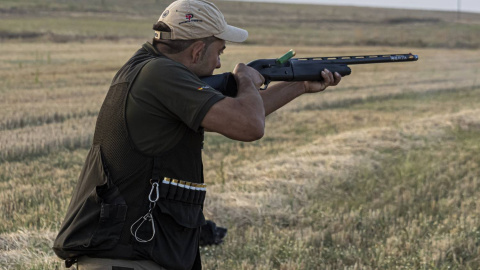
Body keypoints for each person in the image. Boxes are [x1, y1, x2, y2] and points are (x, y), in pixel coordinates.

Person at [52, 0, 341, 269]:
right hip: (126, 257)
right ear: (196, 50)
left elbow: (238, 114)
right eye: (219, 52)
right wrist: (245, 79)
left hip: (133, 253)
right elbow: (249, 125)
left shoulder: (150, 69)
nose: (218, 64)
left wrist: (300, 85)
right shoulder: (160, 74)